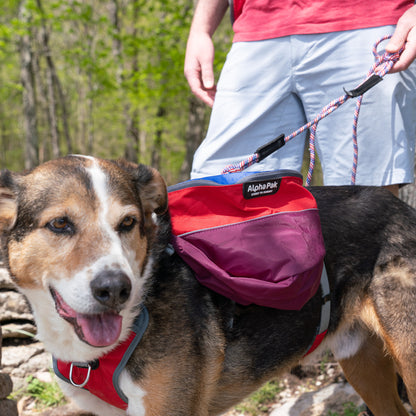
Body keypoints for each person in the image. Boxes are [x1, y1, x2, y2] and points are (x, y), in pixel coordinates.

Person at [184, 0, 416, 195]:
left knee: (365, 201)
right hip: (257, 27)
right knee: (219, 191)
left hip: (369, 20)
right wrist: (201, 29)